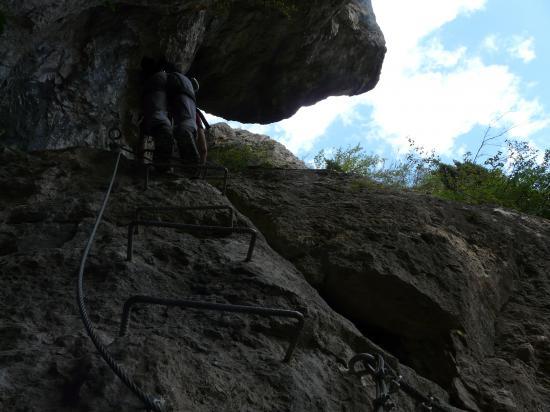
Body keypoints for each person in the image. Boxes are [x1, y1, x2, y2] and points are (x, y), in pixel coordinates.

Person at [140, 56, 173, 166]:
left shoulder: (146, 83)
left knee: (150, 152)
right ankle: (160, 170)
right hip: (161, 121)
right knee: (163, 155)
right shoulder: (161, 77)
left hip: (149, 122)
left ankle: (149, 168)